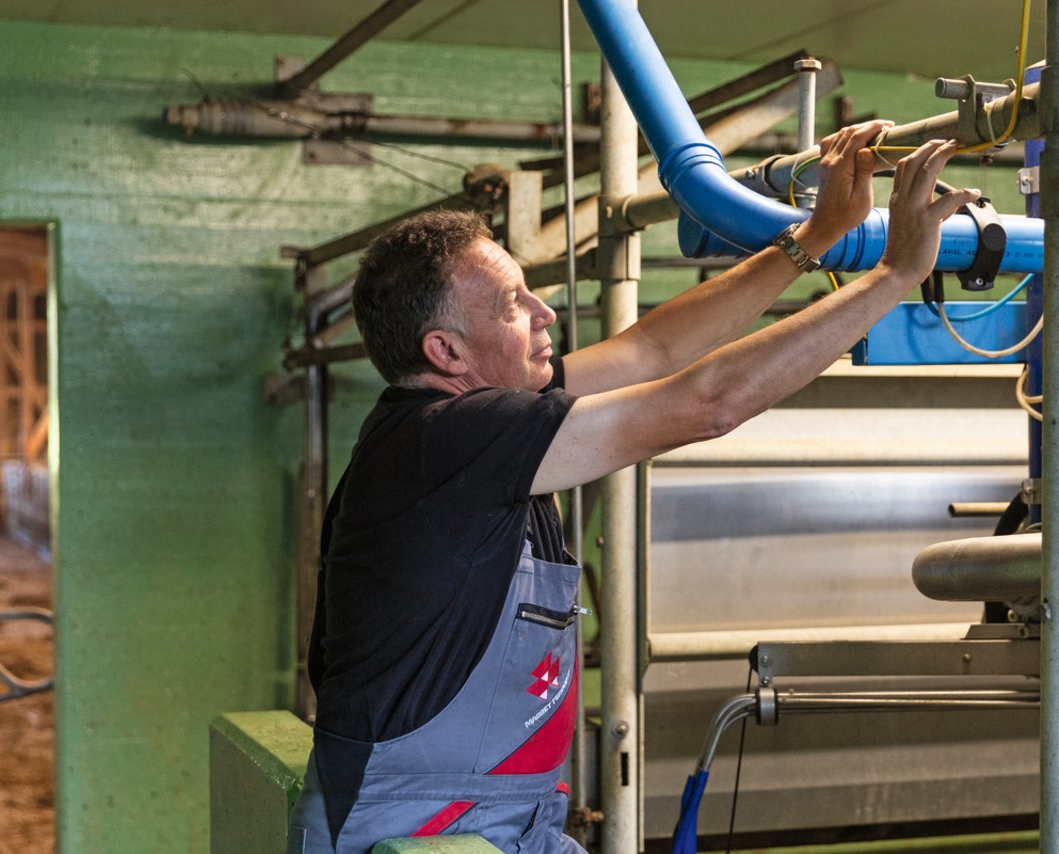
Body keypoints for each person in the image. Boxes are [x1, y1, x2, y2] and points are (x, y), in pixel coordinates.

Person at [286, 123, 979, 853]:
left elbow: (655, 349)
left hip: (499, 823)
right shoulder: (447, 440)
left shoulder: (481, 423)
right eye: (512, 303)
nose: (545, 313)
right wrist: (895, 275)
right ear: (446, 352)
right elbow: (707, 403)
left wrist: (815, 236)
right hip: (411, 832)